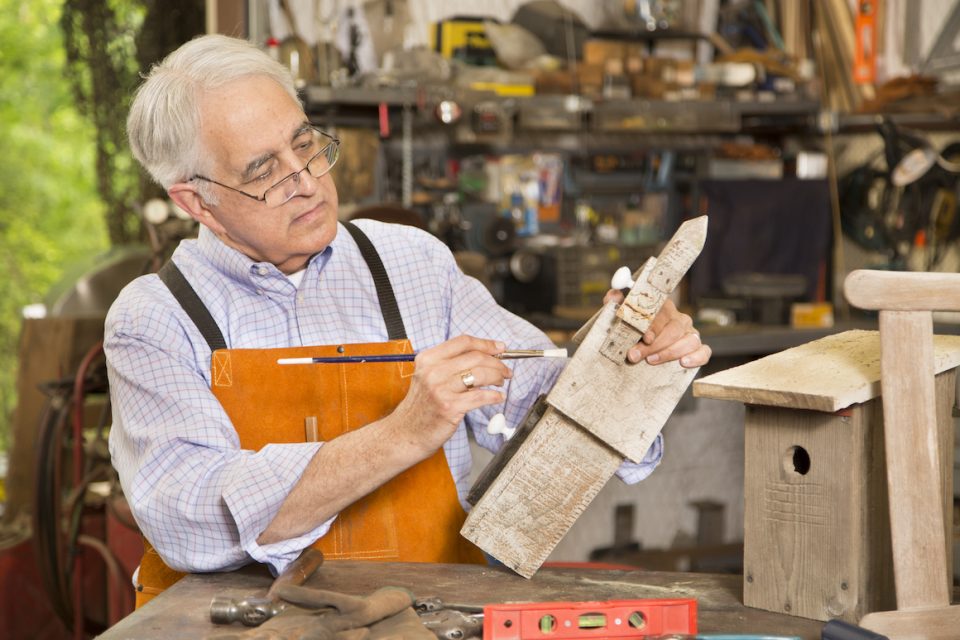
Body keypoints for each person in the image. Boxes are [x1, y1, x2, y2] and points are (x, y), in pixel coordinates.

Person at [106, 34, 712, 605]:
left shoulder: (409, 263)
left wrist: (623, 360)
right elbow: (190, 518)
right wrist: (402, 433)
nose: (308, 181)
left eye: (307, 144)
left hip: (426, 619)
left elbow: (546, 411)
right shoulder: (152, 319)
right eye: (264, 171)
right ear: (195, 200)